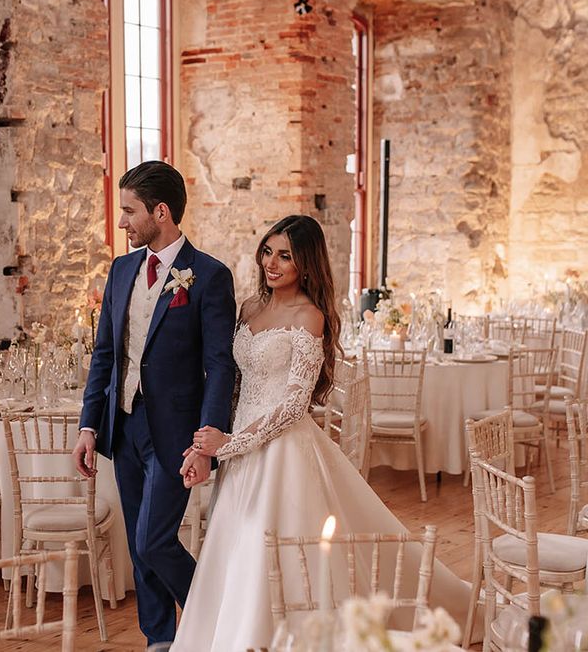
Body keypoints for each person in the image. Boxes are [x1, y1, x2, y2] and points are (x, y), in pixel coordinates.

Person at [172, 215, 476, 651]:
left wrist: (229, 445)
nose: (271, 264)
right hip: (241, 449)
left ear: (307, 266)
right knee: (237, 547)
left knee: (273, 545)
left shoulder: (309, 317)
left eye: (285, 256)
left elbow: (294, 405)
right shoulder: (249, 309)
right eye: (268, 251)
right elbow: (235, 385)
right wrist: (213, 443)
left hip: (282, 454)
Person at [72, 161, 236, 646]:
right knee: (140, 547)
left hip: (177, 432)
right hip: (123, 426)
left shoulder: (208, 276)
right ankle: (159, 640)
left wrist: (206, 439)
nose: (121, 223)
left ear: (160, 212)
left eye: (129, 211)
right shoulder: (122, 270)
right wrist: (88, 427)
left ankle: (217, 621)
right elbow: (105, 354)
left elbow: (220, 365)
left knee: (153, 539)